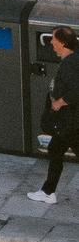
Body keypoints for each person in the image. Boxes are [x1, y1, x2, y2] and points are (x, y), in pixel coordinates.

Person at [35, 27, 79, 200]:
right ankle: (47, 192)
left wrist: (59, 103)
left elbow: (77, 90)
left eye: (53, 39)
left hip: (70, 120)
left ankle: (47, 192)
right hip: (71, 121)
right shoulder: (73, 59)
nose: (51, 42)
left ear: (62, 43)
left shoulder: (70, 63)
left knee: (56, 149)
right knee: (55, 149)